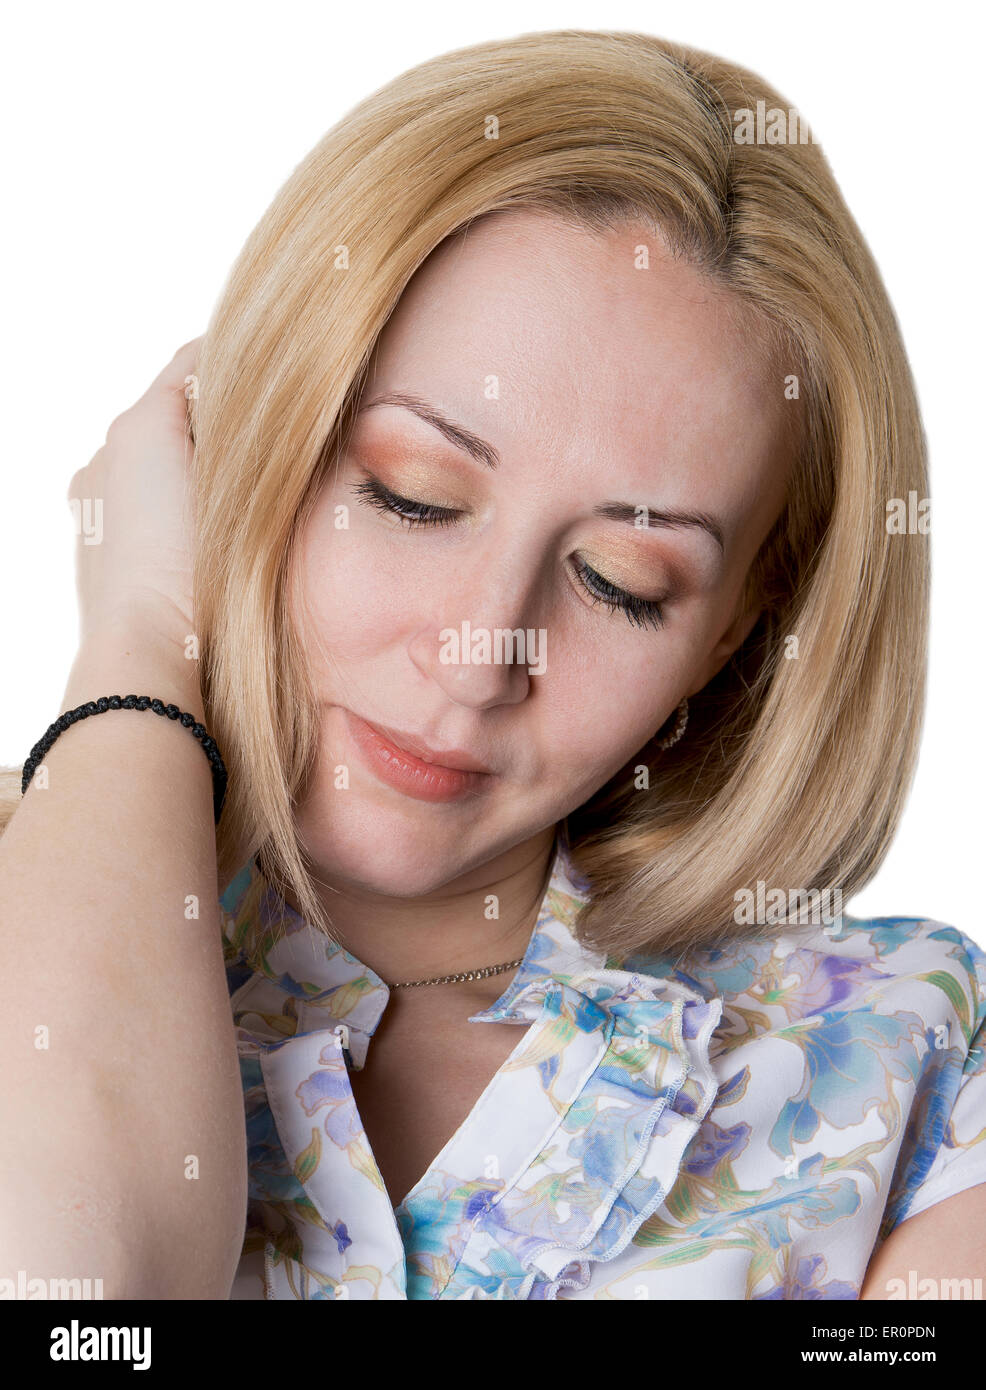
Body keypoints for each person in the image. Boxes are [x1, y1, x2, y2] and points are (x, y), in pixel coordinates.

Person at [2, 29, 983, 1301]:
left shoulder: (910, 1057)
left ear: (733, 631)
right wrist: (139, 633)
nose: (477, 654)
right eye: (409, 497)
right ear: (251, 435)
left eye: (619, 585)